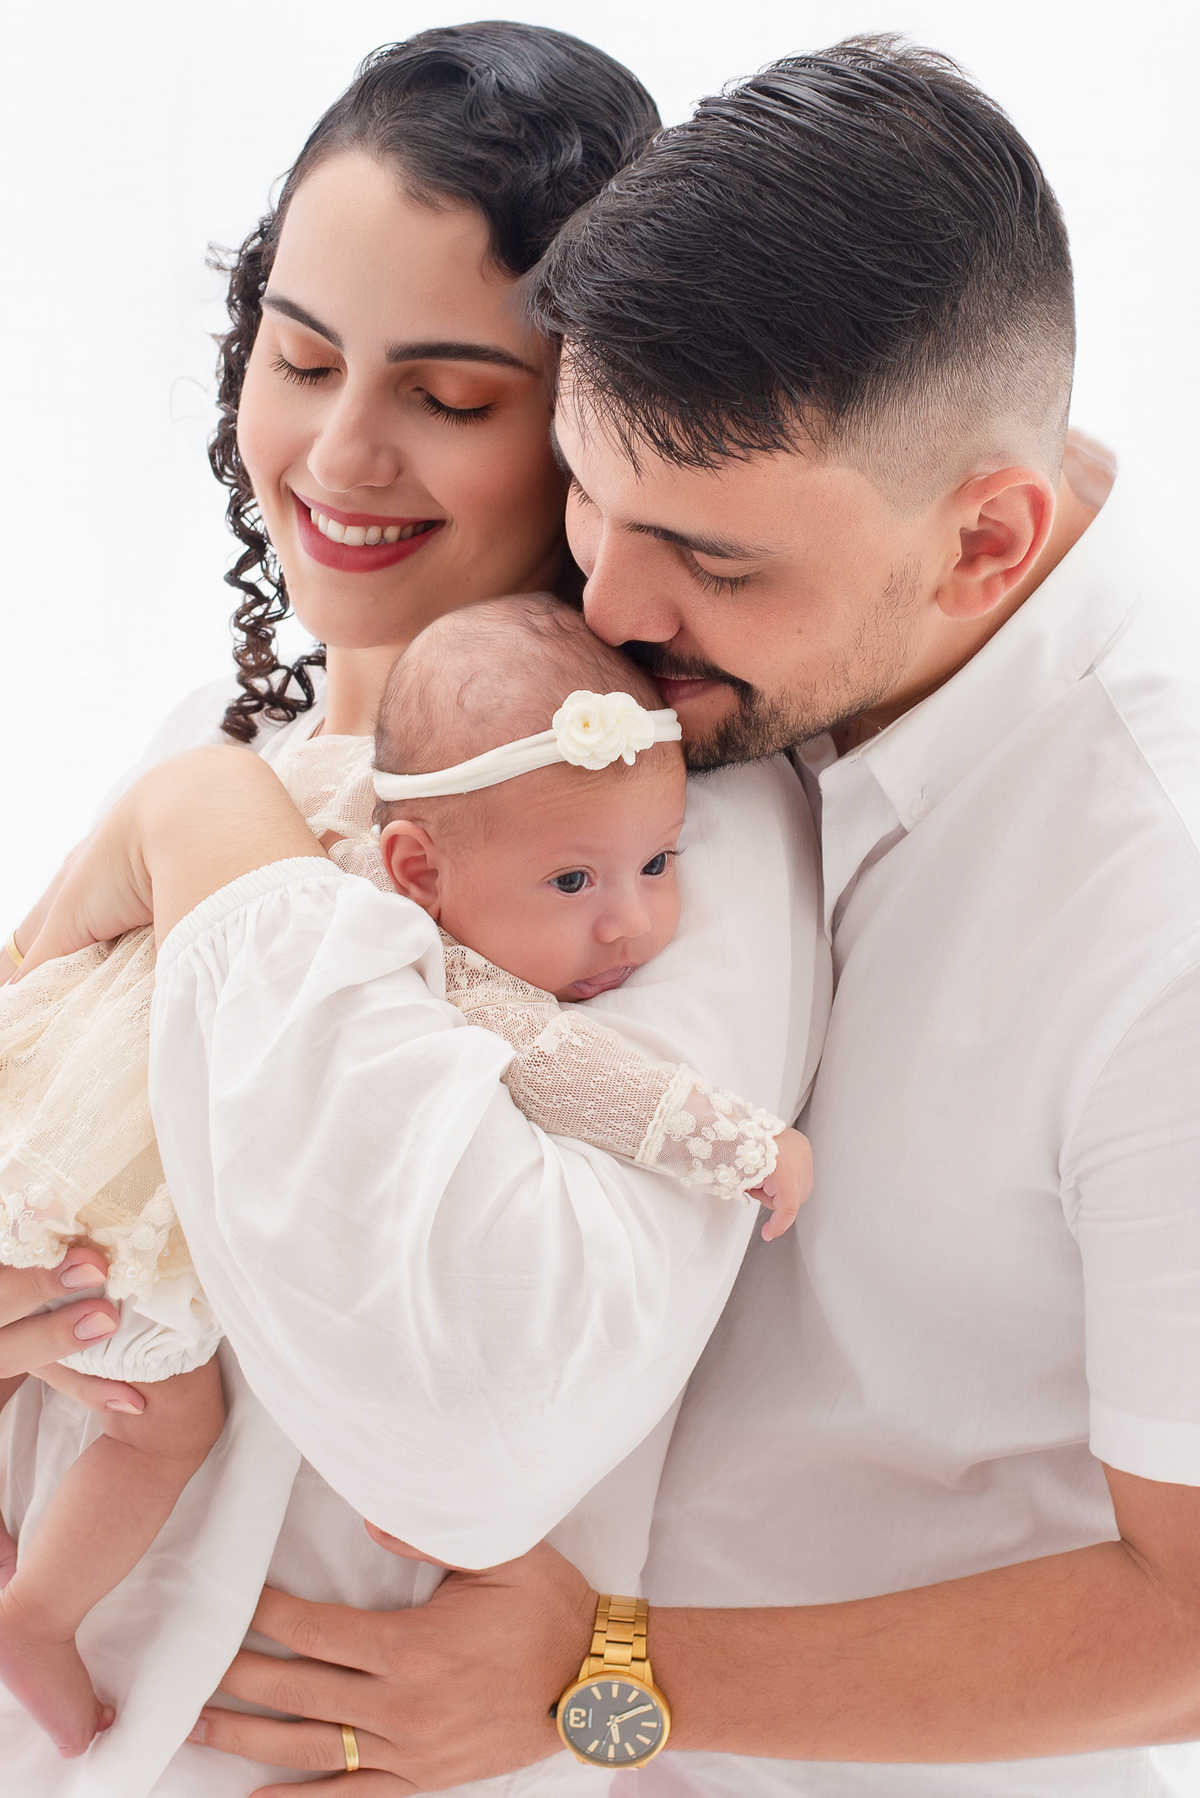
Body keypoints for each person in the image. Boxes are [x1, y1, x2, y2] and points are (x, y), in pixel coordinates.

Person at [76, 34, 1197, 1798]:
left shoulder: (1150, 905)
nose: (607, 602)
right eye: (589, 492)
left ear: (988, 542)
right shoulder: (721, 665)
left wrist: (609, 1677)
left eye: (712, 559)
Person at [0, 22, 823, 1798]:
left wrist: (214, 838)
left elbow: (482, 1400)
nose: (340, 451)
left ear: (599, 433)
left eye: (449, 399)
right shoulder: (227, 745)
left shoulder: (648, 835)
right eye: (300, 357)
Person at [0, 592, 810, 1760]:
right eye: (575, 883)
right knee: (155, 1423)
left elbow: (493, 1366)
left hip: (55, 1163)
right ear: (418, 866)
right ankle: (36, 1615)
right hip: (95, 1214)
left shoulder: (674, 799)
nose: (633, 923)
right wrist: (739, 1145)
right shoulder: (331, 860)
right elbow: (563, 1065)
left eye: (656, 865)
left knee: (122, 1393)